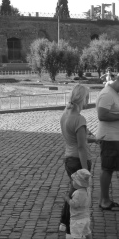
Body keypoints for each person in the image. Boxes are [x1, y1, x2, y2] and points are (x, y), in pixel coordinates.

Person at [59, 84, 99, 235]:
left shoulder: (65, 115)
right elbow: (81, 147)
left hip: (68, 159)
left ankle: (64, 222)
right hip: (78, 161)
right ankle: (70, 228)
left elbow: (76, 140)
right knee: (78, 194)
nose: (88, 100)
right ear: (82, 98)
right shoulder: (79, 119)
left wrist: (94, 140)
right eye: (87, 97)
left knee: (72, 191)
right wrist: (85, 171)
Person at [96, 77, 119, 211]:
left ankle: (104, 200)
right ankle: (104, 200)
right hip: (109, 138)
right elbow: (102, 115)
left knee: (110, 168)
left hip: (115, 138)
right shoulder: (107, 94)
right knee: (107, 168)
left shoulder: (114, 94)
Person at [62, 169, 93, 239]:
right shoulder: (88, 190)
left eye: (74, 180)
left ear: (79, 183)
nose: (72, 182)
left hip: (77, 219)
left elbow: (74, 204)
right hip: (86, 217)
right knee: (87, 232)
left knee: (76, 235)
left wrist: (67, 198)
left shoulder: (78, 193)